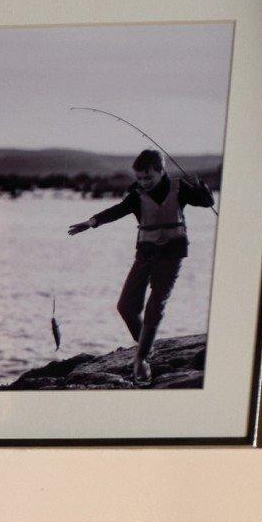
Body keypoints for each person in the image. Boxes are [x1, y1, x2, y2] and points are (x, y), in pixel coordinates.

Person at [67, 149, 214, 387]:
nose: (143, 182)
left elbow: (207, 202)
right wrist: (92, 222)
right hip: (145, 254)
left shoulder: (180, 188)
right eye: (139, 178)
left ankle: (142, 358)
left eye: (148, 177)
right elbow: (116, 211)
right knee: (126, 306)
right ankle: (148, 347)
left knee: (156, 304)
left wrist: (201, 188)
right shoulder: (136, 195)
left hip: (172, 254)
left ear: (161, 171)